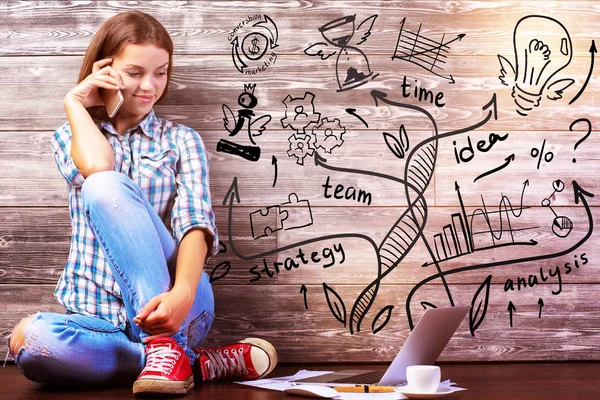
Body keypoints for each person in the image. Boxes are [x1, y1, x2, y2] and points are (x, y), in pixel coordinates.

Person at [7, 11, 277, 395]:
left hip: (179, 303)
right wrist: (74, 102)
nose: (150, 86)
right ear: (104, 69)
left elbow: (195, 224)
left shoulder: (182, 140)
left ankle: (169, 344)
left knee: (105, 187)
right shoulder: (72, 134)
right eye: (135, 72)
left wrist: (182, 294)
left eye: (160, 72)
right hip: (97, 319)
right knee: (30, 341)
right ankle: (191, 362)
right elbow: (99, 166)